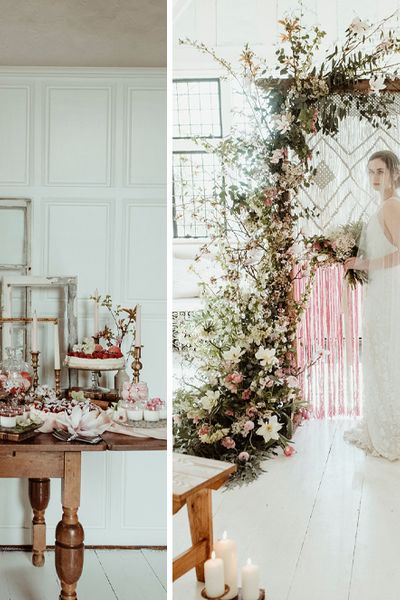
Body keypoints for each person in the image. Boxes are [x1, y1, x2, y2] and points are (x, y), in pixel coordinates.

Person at [344, 150, 400, 459]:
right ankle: (383, 419)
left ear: (394, 173)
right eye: (370, 172)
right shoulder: (385, 205)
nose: (374, 177)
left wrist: (364, 264)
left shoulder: (392, 206)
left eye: (380, 171)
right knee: (381, 354)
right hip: (382, 289)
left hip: (389, 289)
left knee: (385, 353)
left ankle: (391, 426)